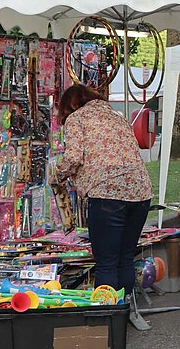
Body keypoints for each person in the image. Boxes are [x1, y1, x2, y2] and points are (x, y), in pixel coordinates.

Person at [55, 84, 155, 331]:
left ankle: (107, 320)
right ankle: (128, 311)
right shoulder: (115, 116)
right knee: (125, 257)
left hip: (106, 193)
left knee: (107, 263)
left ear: (69, 105)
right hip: (140, 191)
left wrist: (57, 174)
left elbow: (74, 157)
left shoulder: (78, 119)